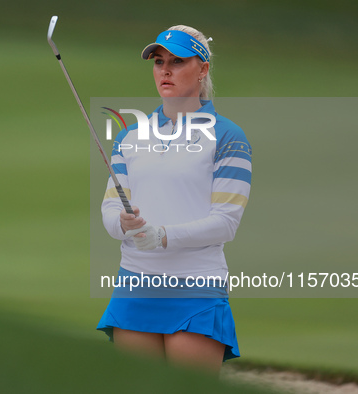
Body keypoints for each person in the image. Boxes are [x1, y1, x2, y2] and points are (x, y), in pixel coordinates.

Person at [96, 25, 252, 373]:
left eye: (178, 61)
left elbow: (225, 222)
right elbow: (110, 207)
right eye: (158, 61)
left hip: (195, 288)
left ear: (203, 69)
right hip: (136, 282)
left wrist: (162, 235)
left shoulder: (227, 136)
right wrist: (122, 223)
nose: (165, 70)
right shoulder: (129, 135)